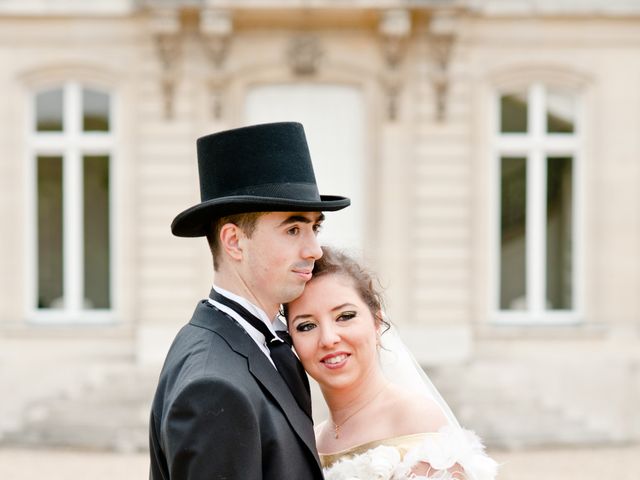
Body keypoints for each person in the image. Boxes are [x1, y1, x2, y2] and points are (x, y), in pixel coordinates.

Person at [148, 122, 350, 480]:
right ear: (234, 242)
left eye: (315, 228)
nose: (314, 249)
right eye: (293, 229)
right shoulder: (213, 387)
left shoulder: (267, 344)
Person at [285, 247, 499, 480]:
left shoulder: (417, 420)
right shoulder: (311, 439)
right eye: (306, 326)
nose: (328, 339)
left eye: (345, 316)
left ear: (377, 322)